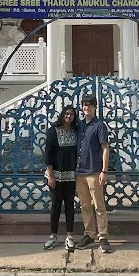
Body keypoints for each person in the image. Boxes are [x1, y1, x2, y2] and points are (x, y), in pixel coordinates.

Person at [75, 95, 111, 253]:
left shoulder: (99, 126)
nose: (86, 108)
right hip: (80, 172)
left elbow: (105, 148)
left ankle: (103, 236)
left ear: (95, 108)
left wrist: (104, 170)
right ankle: (89, 234)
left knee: (99, 206)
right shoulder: (79, 126)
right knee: (84, 206)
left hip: (94, 172)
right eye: (84, 106)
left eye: (89, 106)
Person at [44, 105, 78, 251]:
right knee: (56, 205)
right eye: (67, 113)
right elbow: (48, 154)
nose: (69, 116)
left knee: (70, 206)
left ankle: (69, 237)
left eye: (71, 114)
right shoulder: (53, 131)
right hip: (55, 176)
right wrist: (51, 175)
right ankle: (53, 236)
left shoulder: (76, 132)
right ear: (62, 115)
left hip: (71, 176)